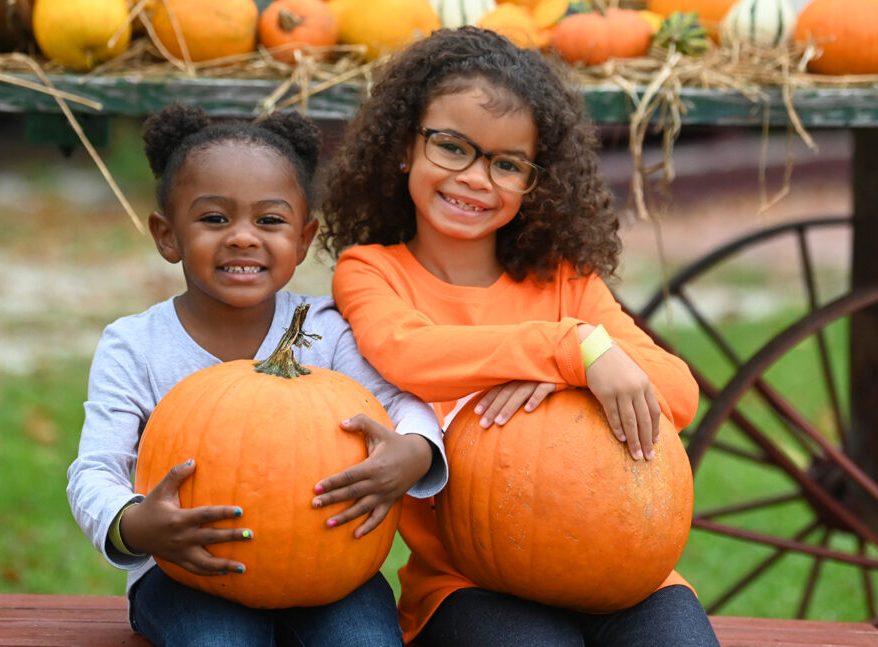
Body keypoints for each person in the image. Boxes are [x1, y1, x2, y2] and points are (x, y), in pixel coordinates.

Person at [319, 26, 719, 647]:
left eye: (508, 164)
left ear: (540, 180)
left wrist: (569, 361)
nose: (476, 178)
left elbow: (677, 394)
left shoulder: (566, 283)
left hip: (623, 572)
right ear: (405, 147)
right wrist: (570, 353)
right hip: (468, 581)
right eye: (452, 147)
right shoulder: (374, 271)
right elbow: (409, 353)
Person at [67, 103, 447, 647]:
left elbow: (396, 399)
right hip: (186, 572)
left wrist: (413, 450)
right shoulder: (135, 345)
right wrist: (136, 523)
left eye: (269, 220)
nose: (243, 237)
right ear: (167, 235)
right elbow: (96, 468)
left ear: (303, 238)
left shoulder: (325, 329)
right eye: (214, 219)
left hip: (332, 566)